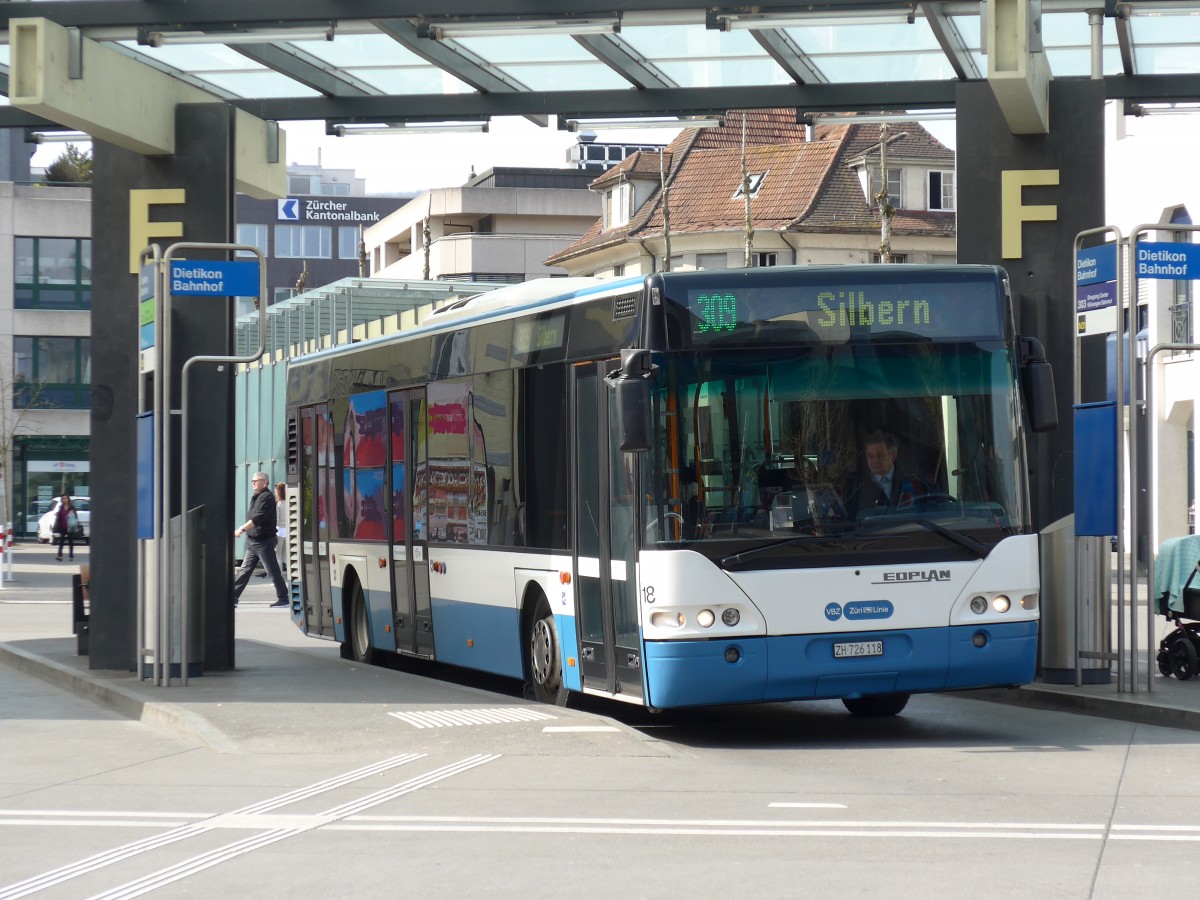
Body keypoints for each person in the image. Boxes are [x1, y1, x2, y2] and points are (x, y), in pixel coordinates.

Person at [233, 472, 289, 608]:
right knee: (245, 570)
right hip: (253, 541)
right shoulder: (257, 496)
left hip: (263, 541)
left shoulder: (267, 497)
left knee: (272, 570)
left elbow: (258, 517)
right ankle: (233, 597)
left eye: (256, 480)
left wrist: (242, 529)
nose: (253, 483)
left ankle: (284, 598)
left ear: (265, 482)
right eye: (252, 480)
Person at [54, 494, 79, 561]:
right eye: (63, 498)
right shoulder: (61, 507)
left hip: (70, 527)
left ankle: (71, 556)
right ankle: (59, 556)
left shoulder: (71, 507)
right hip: (63, 526)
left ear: (68, 499)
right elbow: (59, 517)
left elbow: (75, 517)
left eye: (65, 498)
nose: (64, 500)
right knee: (61, 541)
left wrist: (72, 513)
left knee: (70, 542)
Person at [274, 481, 288, 581]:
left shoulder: (278, 504)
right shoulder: (288, 502)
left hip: (279, 530)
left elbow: (277, 519)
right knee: (286, 555)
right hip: (288, 530)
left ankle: (279, 578)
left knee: (278, 555)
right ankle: (289, 577)